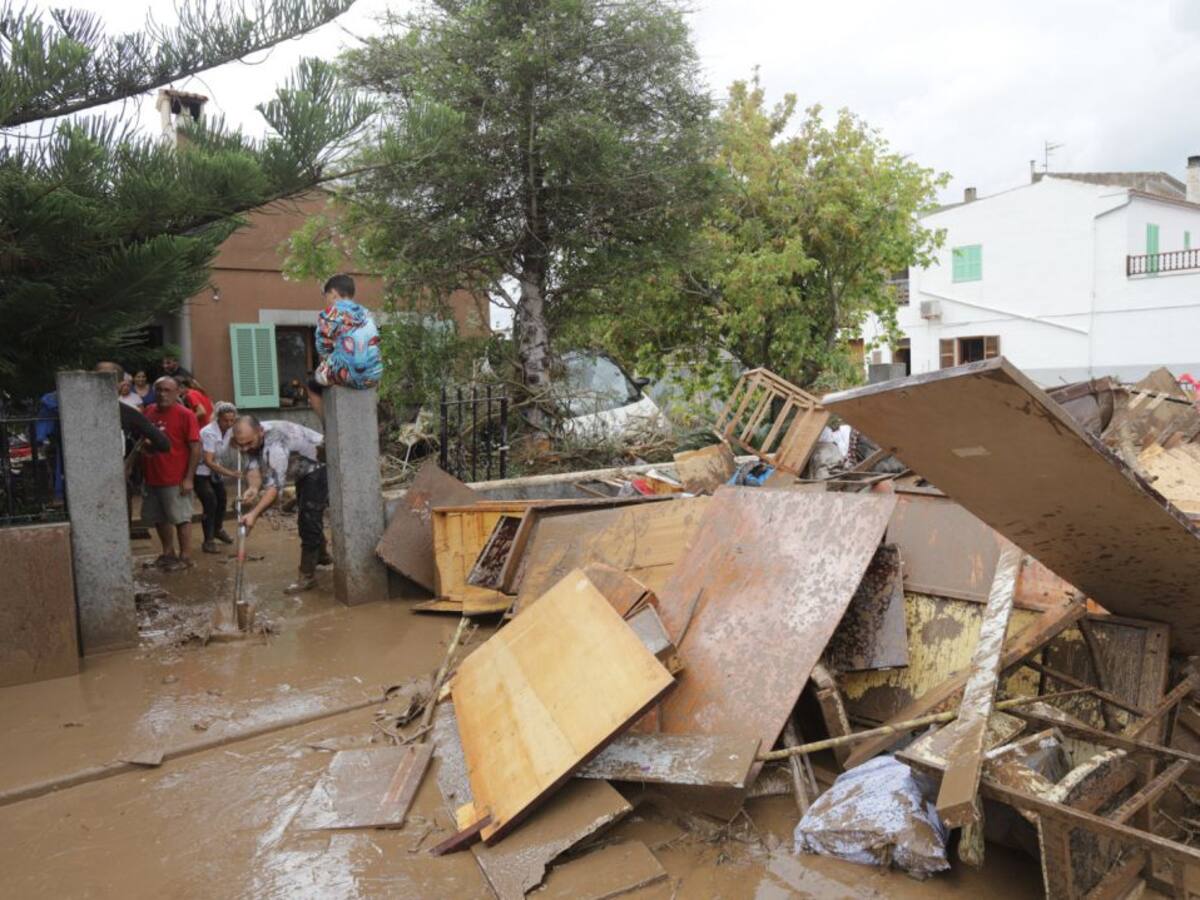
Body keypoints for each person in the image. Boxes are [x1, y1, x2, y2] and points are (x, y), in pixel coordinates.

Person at [232, 415, 331, 593]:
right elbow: (253, 465)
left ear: (260, 432)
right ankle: (322, 556)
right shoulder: (250, 438)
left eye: (249, 443)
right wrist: (253, 488)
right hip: (301, 468)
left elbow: (274, 490)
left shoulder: (275, 445)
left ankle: (307, 577)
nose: (245, 448)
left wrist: (254, 514)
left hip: (319, 465)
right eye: (242, 444)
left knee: (308, 519)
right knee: (308, 514)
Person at [305, 274, 383, 423]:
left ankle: (327, 425)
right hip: (373, 377)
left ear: (334, 294)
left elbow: (323, 348)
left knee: (312, 384)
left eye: (326, 296)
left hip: (346, 375)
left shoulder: (329, 314)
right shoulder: (367, 315)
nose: (326, 301)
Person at [141, 377, 201, 570]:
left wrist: (189, 478)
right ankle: (168, 553)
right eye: (159, 390)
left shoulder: (186, 415)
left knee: (181, 517)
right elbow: (142, 441)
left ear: (177, 393)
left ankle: (185, 557)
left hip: (175, 477)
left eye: (167, 390)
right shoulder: (149, 411)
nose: (162, 394)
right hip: (152, 475)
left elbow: (195, 447)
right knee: (159, 517)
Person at [195, 401, 238, 554]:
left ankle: (217, 529)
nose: (229, 423)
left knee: (222, 498)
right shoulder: (209, 432)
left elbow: (233, 441)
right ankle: (208, 540)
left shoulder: (229, 430)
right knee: (210, 501)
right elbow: (208, 461)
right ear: (218, 418)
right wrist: (231, 473)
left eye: (232, 420)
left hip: (214, 471)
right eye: (226, 420)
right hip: (200, 472)